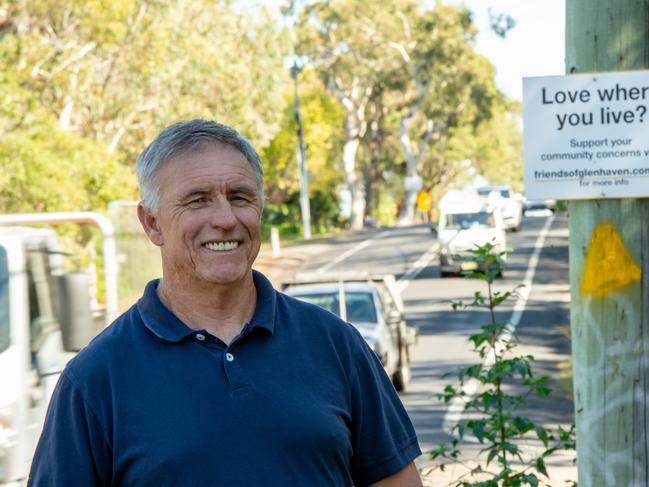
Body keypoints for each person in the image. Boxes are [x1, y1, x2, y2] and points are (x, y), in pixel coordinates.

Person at [28, 119, 423, 486]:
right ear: (152, 223)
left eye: (239, 197)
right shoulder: (95, 378)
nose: (224, 218)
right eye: (197, 200)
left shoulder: (337, 345)